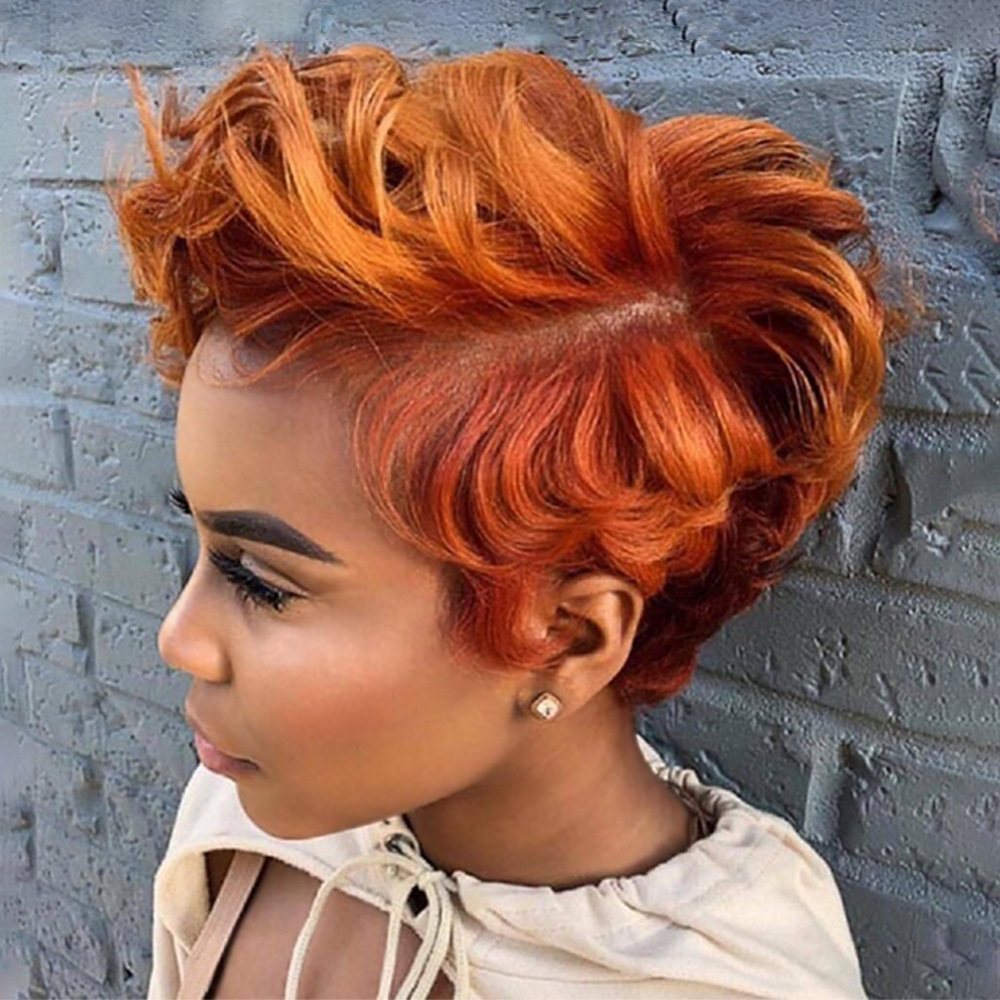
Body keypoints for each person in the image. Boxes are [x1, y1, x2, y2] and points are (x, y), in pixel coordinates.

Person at [111, 41, 908, 1000]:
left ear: (567, 637)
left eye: (263, 583)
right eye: (202, 543)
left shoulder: (726, 983)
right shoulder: (256, 804)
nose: (180, 639)